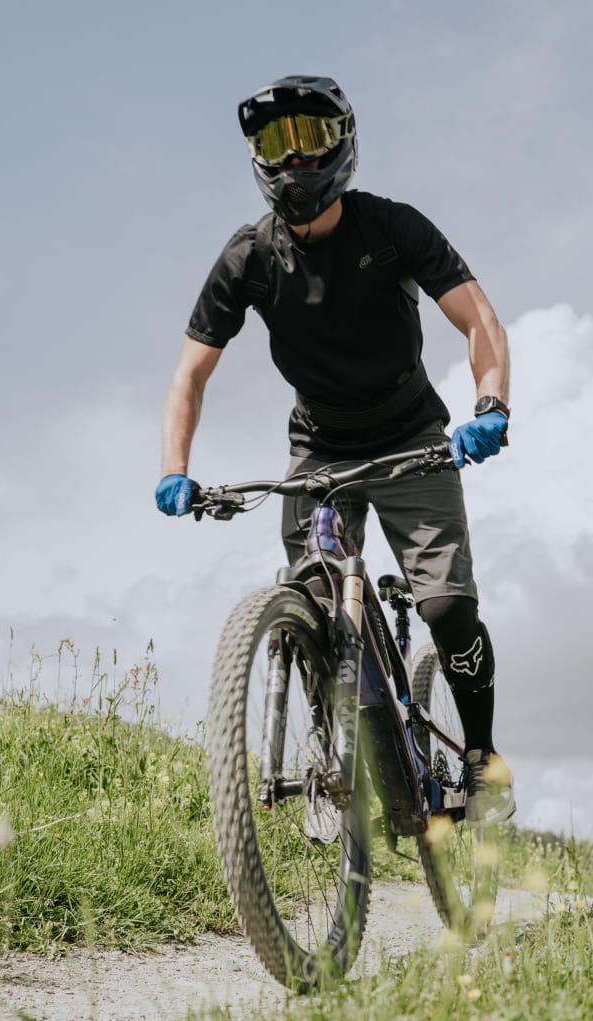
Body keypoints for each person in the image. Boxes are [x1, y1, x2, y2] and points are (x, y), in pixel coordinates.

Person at [156, 75, 515, 827]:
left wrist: (489, 404)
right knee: (315, 604)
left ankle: (481, 760)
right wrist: (175, 470)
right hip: (318, 450)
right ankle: (337, 757)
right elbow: (190, 374)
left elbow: (478, 318)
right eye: (272, 145)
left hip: (413, 438)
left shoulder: (390, 229)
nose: (292, 161)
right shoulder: (249, 258)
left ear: (342, 141)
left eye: (307, 139)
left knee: (448, 608)